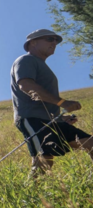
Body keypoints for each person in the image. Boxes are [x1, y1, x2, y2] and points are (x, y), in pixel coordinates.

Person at [11, 28, 92, 178]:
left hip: (52, 121)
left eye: (56, 40)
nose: (54, 43)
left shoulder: (41, 65)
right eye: (49, 39)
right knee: (44, 161)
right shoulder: (26, 60)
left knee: (90, 144)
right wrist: (62, 102)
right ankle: (32, 197)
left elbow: (43, 99)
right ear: (33, 43)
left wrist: (62, 118)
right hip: (32, 119)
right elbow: (26, 86)